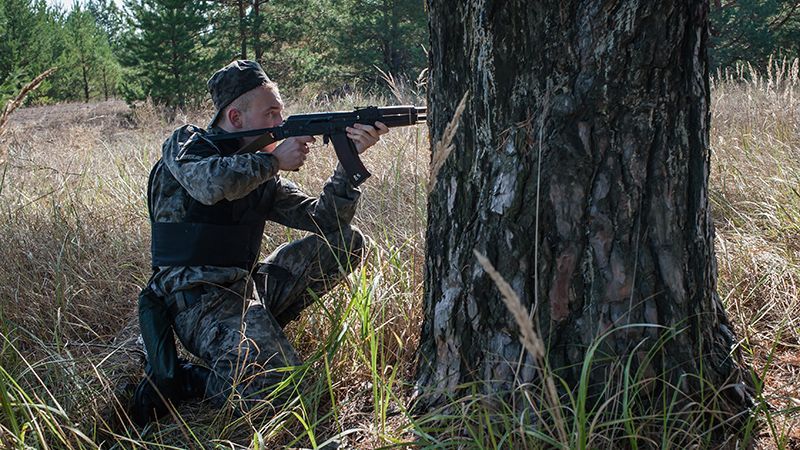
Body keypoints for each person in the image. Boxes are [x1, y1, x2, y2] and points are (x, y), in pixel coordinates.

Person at [131, 60, 388, 424]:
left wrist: (349, 163)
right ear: (235, 118)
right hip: (197, 301)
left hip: (246, 290)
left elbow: (326, 220)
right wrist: (272, 163)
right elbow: (210, 186)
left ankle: (255, 333)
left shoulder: (261, 173)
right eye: (271, 113)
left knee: (346, 242)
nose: (280, 124)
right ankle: (192, 380)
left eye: (281, 112)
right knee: (280, 393)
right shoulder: (187, 146)